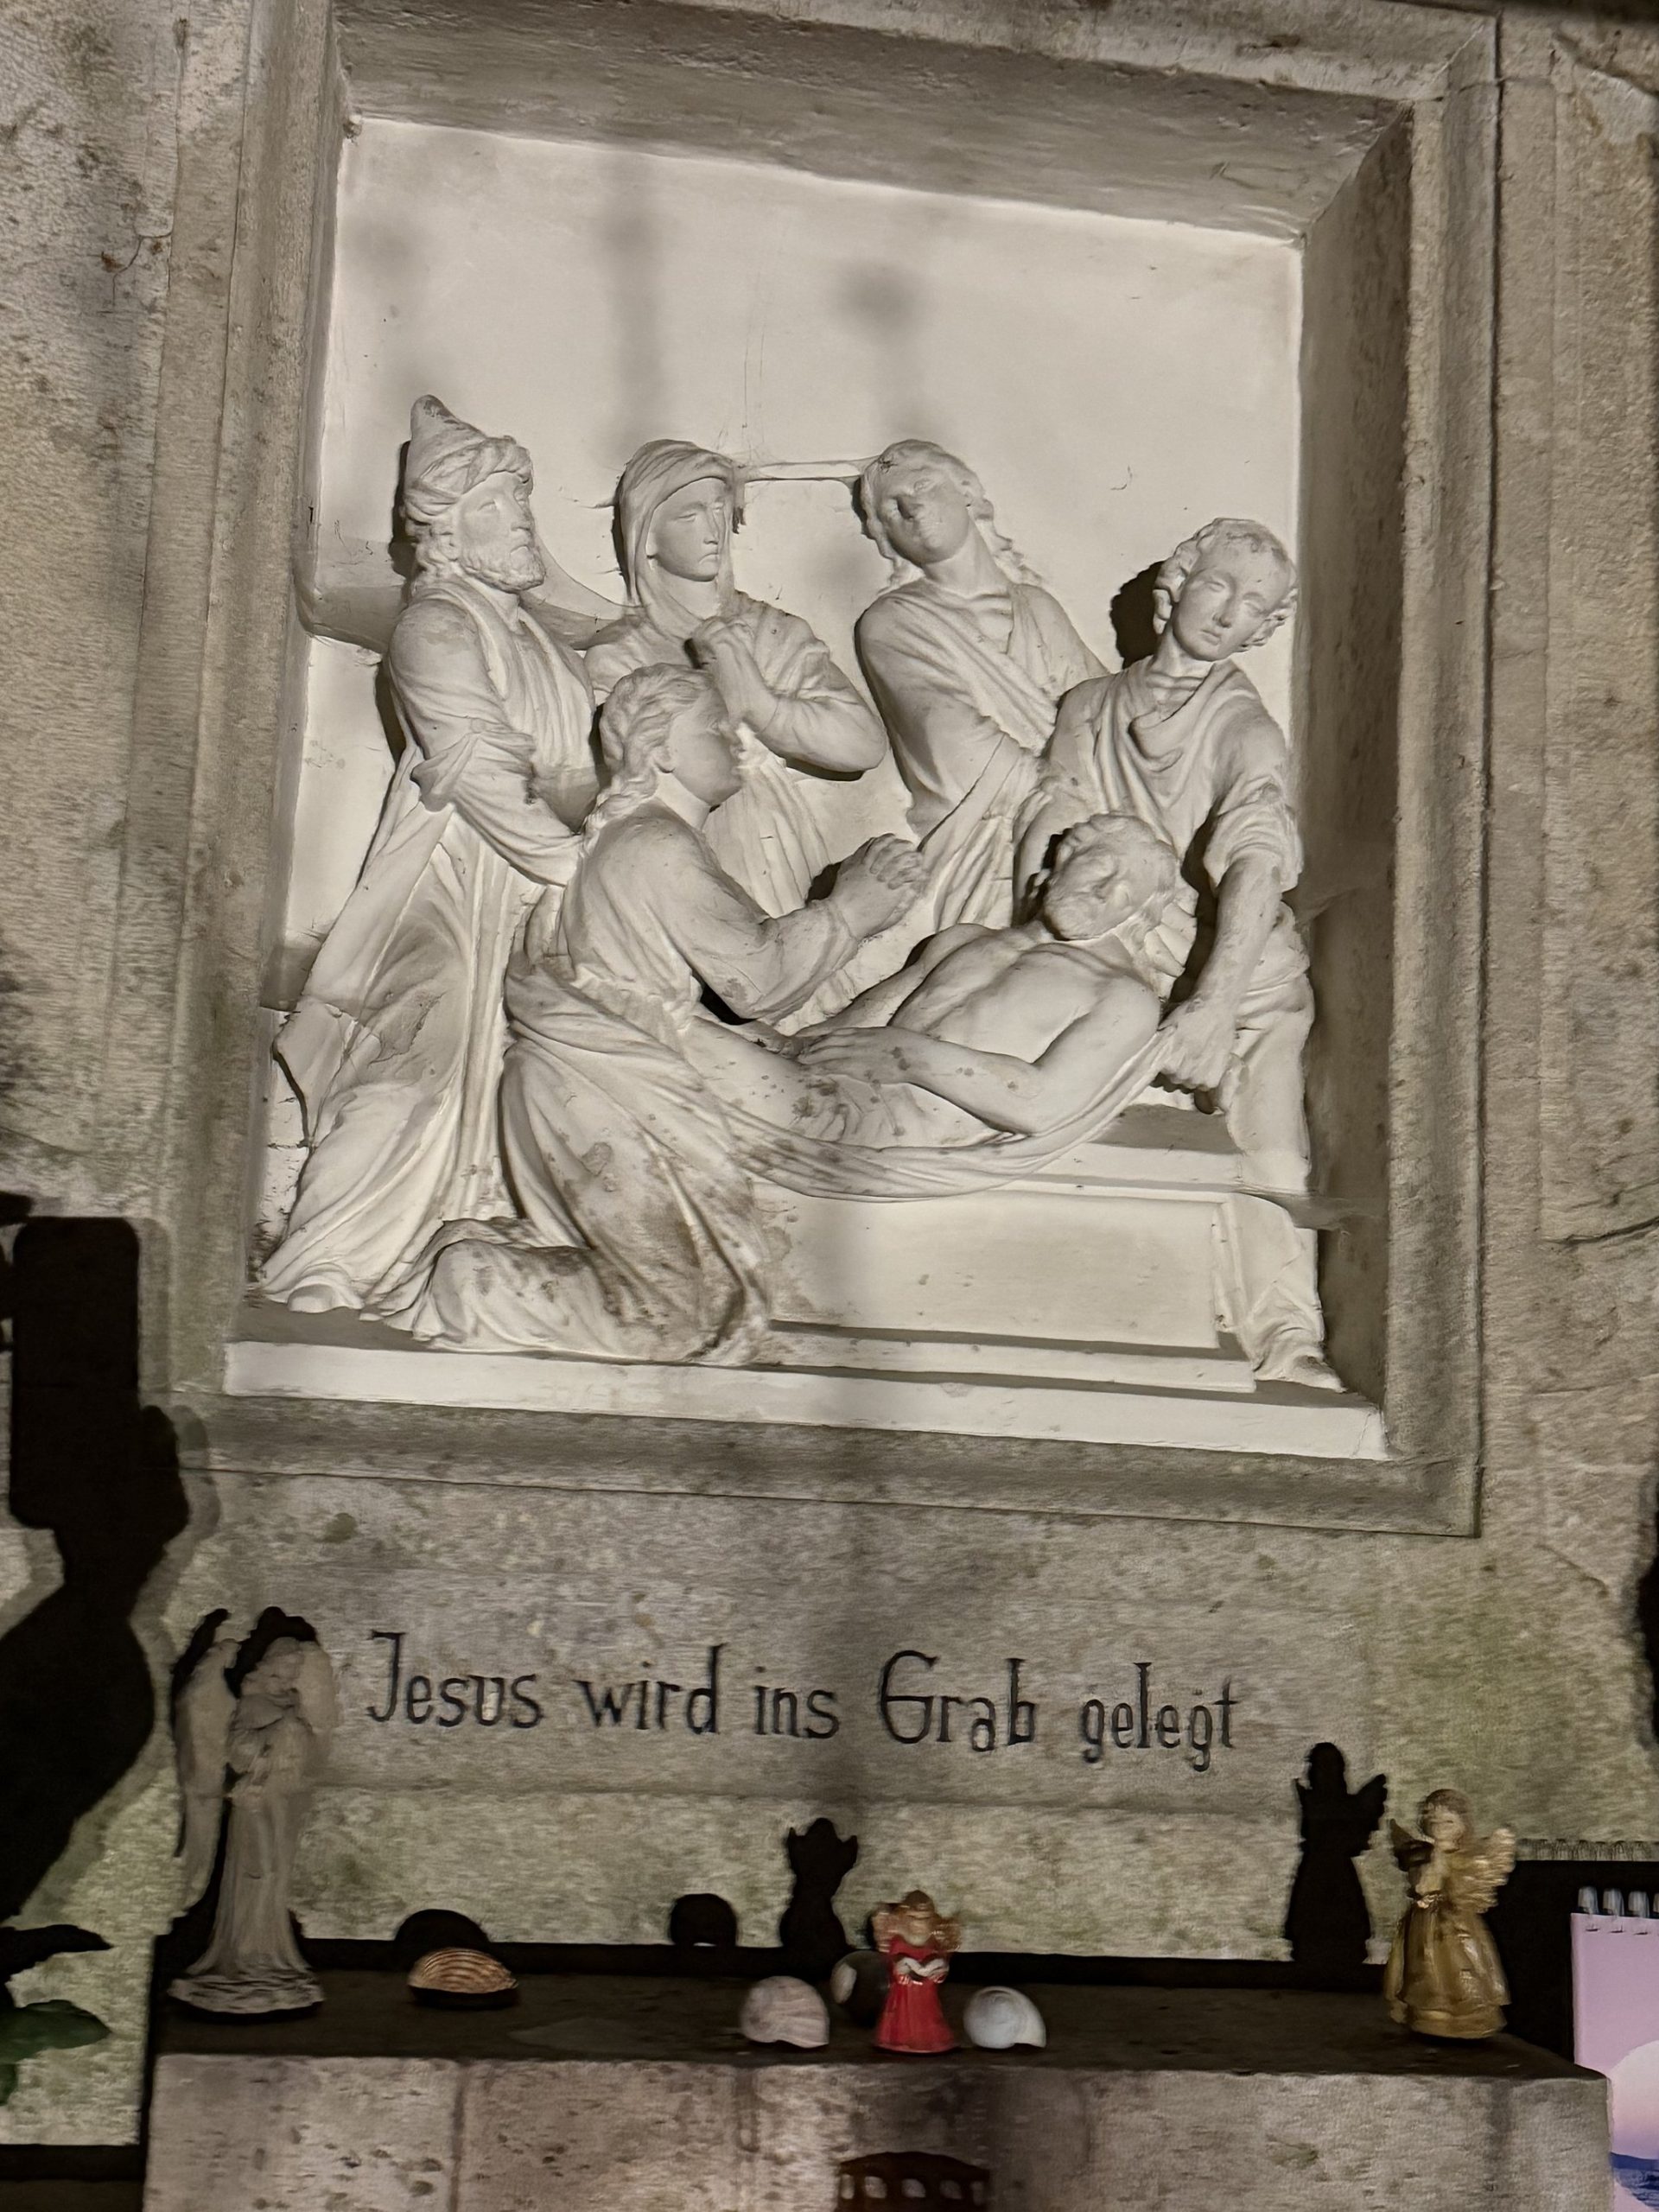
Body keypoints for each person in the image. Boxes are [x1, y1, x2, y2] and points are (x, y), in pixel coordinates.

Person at [384, 664, 925, 1360]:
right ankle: (475, 1283)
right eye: (716, 728)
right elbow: (757, 978)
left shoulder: (630, 840)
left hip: (584, 1084)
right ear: (661, 749)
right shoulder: (657, 845)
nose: (737, 741)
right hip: (604, 1088)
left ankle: (483, 1257)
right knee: (678, 1317)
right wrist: (851, 910)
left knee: (697, 1295)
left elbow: (667, 987)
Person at [262, 395, 597, 1317]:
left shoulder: (549, 650)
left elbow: (582, 768)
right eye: (497, 504)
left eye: (521, 500)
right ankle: (324, 1255)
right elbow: (478, 769)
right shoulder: (437, 627)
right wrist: (577, 865)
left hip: (533, 892)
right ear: (444, 531)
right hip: (446, 878)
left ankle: (469, 1240)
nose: (521, 520)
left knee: (528, 1075)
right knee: (412, 1060)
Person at [1017, 516, 1335, 1389]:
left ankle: (1284, 1332)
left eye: (1255, 606)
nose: (1230, 613)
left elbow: (1257, 856)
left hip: (1239, 975)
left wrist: (1216, 1004)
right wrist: (1027, 942)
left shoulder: (1244, 729)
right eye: (1221, 586)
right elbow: (1052, 826)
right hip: (1119, 959)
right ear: (1178, 584)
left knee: (1269, 1144)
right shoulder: (1089, 709)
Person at [686, 813, 1184, 1153]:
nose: (1104, 893)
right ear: (1062, 861)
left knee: (664, 1044)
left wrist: (908, 1056)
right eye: (1099, 869)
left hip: (885, 1124)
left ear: (1135, 915)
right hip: (828, 1090)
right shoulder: (965, 941)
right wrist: (766, 1040)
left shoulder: (1123, 996)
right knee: (668, 1019)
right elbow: (834, 1036)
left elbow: (1043, 1105)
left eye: (1125, 896)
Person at [584, 440, 886, 913]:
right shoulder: (622, 653)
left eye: (719, 510)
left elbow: (863, 745)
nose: (713, 530)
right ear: (647, 537)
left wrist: (761, 704)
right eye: (689, 515)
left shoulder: (770, 631)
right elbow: (606, 782)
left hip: (772, 838)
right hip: (673, 856)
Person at [849, 438, 1103, 941]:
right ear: (886, 538)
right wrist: (1055, 787)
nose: (912, 507)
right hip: (991, 839)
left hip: (1088, 823)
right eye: (892, 509)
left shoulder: (1037, 606)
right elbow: (946, 734)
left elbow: (1100, 708)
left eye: (923, 485)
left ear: (967, 490)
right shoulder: (892, 622)